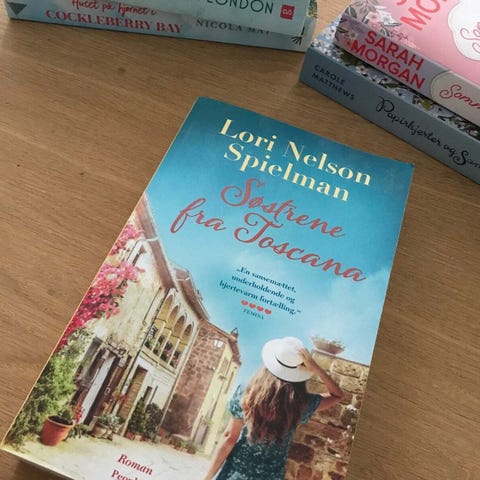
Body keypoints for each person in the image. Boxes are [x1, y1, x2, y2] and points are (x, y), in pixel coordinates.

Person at [203, 337, 344, 480]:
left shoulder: (247, 392)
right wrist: (317, 370)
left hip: (235, 474)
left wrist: (207, 477)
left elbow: (229, 439)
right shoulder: (301, 403)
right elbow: (337, 395)